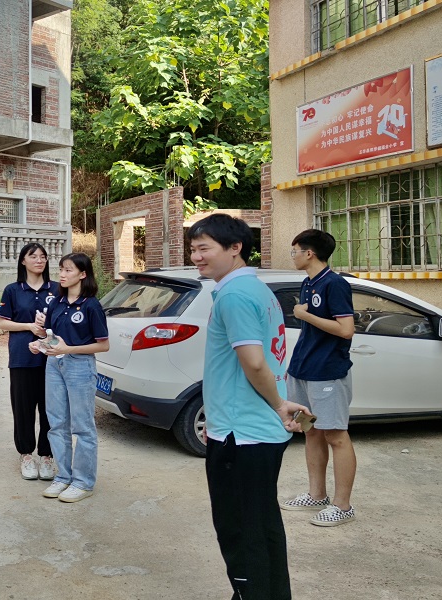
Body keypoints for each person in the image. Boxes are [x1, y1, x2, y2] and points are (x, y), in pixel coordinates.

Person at [188, 214, 308, 600]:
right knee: (261, 523)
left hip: (241, 433)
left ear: (235, 248)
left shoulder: (236, 295)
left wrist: (279, 404)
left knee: (240, 529)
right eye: (193, 249)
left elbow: (254, 363)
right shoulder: (254, 289)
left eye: (204, 248)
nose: (196, 257)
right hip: (254, 430)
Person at [281, 229, 357, 527]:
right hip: (303, 369)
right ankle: (317, 495)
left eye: (295, 251)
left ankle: (343, 506)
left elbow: (346, 330)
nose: (293, 256)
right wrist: (294, 365)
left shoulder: (335, 284)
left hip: (327, 372)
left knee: (335, 435)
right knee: (310, 431)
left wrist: (304, 315)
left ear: (309, 253)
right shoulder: (308, 282)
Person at [29, 252, 109, 503]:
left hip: (80, 367)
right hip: (54, 364)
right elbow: (53, 337)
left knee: (82, 426)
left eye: (68, 270)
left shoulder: (91, 306)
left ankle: (83, 482)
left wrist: (69, 349)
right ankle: (63, 476)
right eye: (61, 269)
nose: (62, 275)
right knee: (56, 423)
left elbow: (103, 345)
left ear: (83, 274)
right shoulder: (57, 302)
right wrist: (40, 343)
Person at [0, 243, 57, 481]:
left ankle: (47, 455)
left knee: (50, 408)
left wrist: (47, 327)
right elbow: (2, 323)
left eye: (43, 256)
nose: (39, 260)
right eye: (33, 256)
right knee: (23, 408)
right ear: (23, 261)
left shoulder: (57, 289)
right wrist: (29, 326)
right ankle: (26, 455)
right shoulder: (13, 290)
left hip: (52, 357)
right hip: (22, 358)